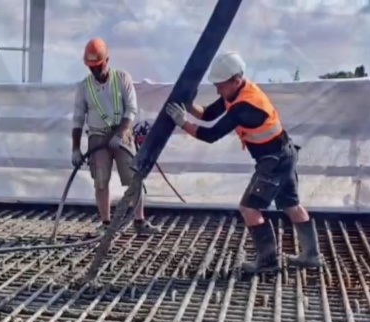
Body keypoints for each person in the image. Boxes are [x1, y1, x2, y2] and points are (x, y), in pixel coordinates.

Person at [165, 51, 321, 274]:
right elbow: (208, 114)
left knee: (249, 208)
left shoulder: (245, 106)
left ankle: (268, 262)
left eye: (220, 86)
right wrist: (189, 106)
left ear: (236, 80)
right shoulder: (237, 92)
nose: (218, 90)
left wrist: (182, 123)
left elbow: (211, 135)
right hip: (284, 154)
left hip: (274, 160)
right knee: (291, 205)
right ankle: (311, 255)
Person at [71, 38, 159, 235]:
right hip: (97, 136)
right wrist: (76, 148)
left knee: (134, 178)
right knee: (100, 180)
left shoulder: (122, 79)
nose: (95, 70)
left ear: (107, 60)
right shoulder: (84, 87)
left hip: (123, 135)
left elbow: (131, 109)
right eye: (91, 67)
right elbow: (77, 119)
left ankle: (139, 221)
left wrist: (121, 134)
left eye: (98, 65)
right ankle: (106, 224)